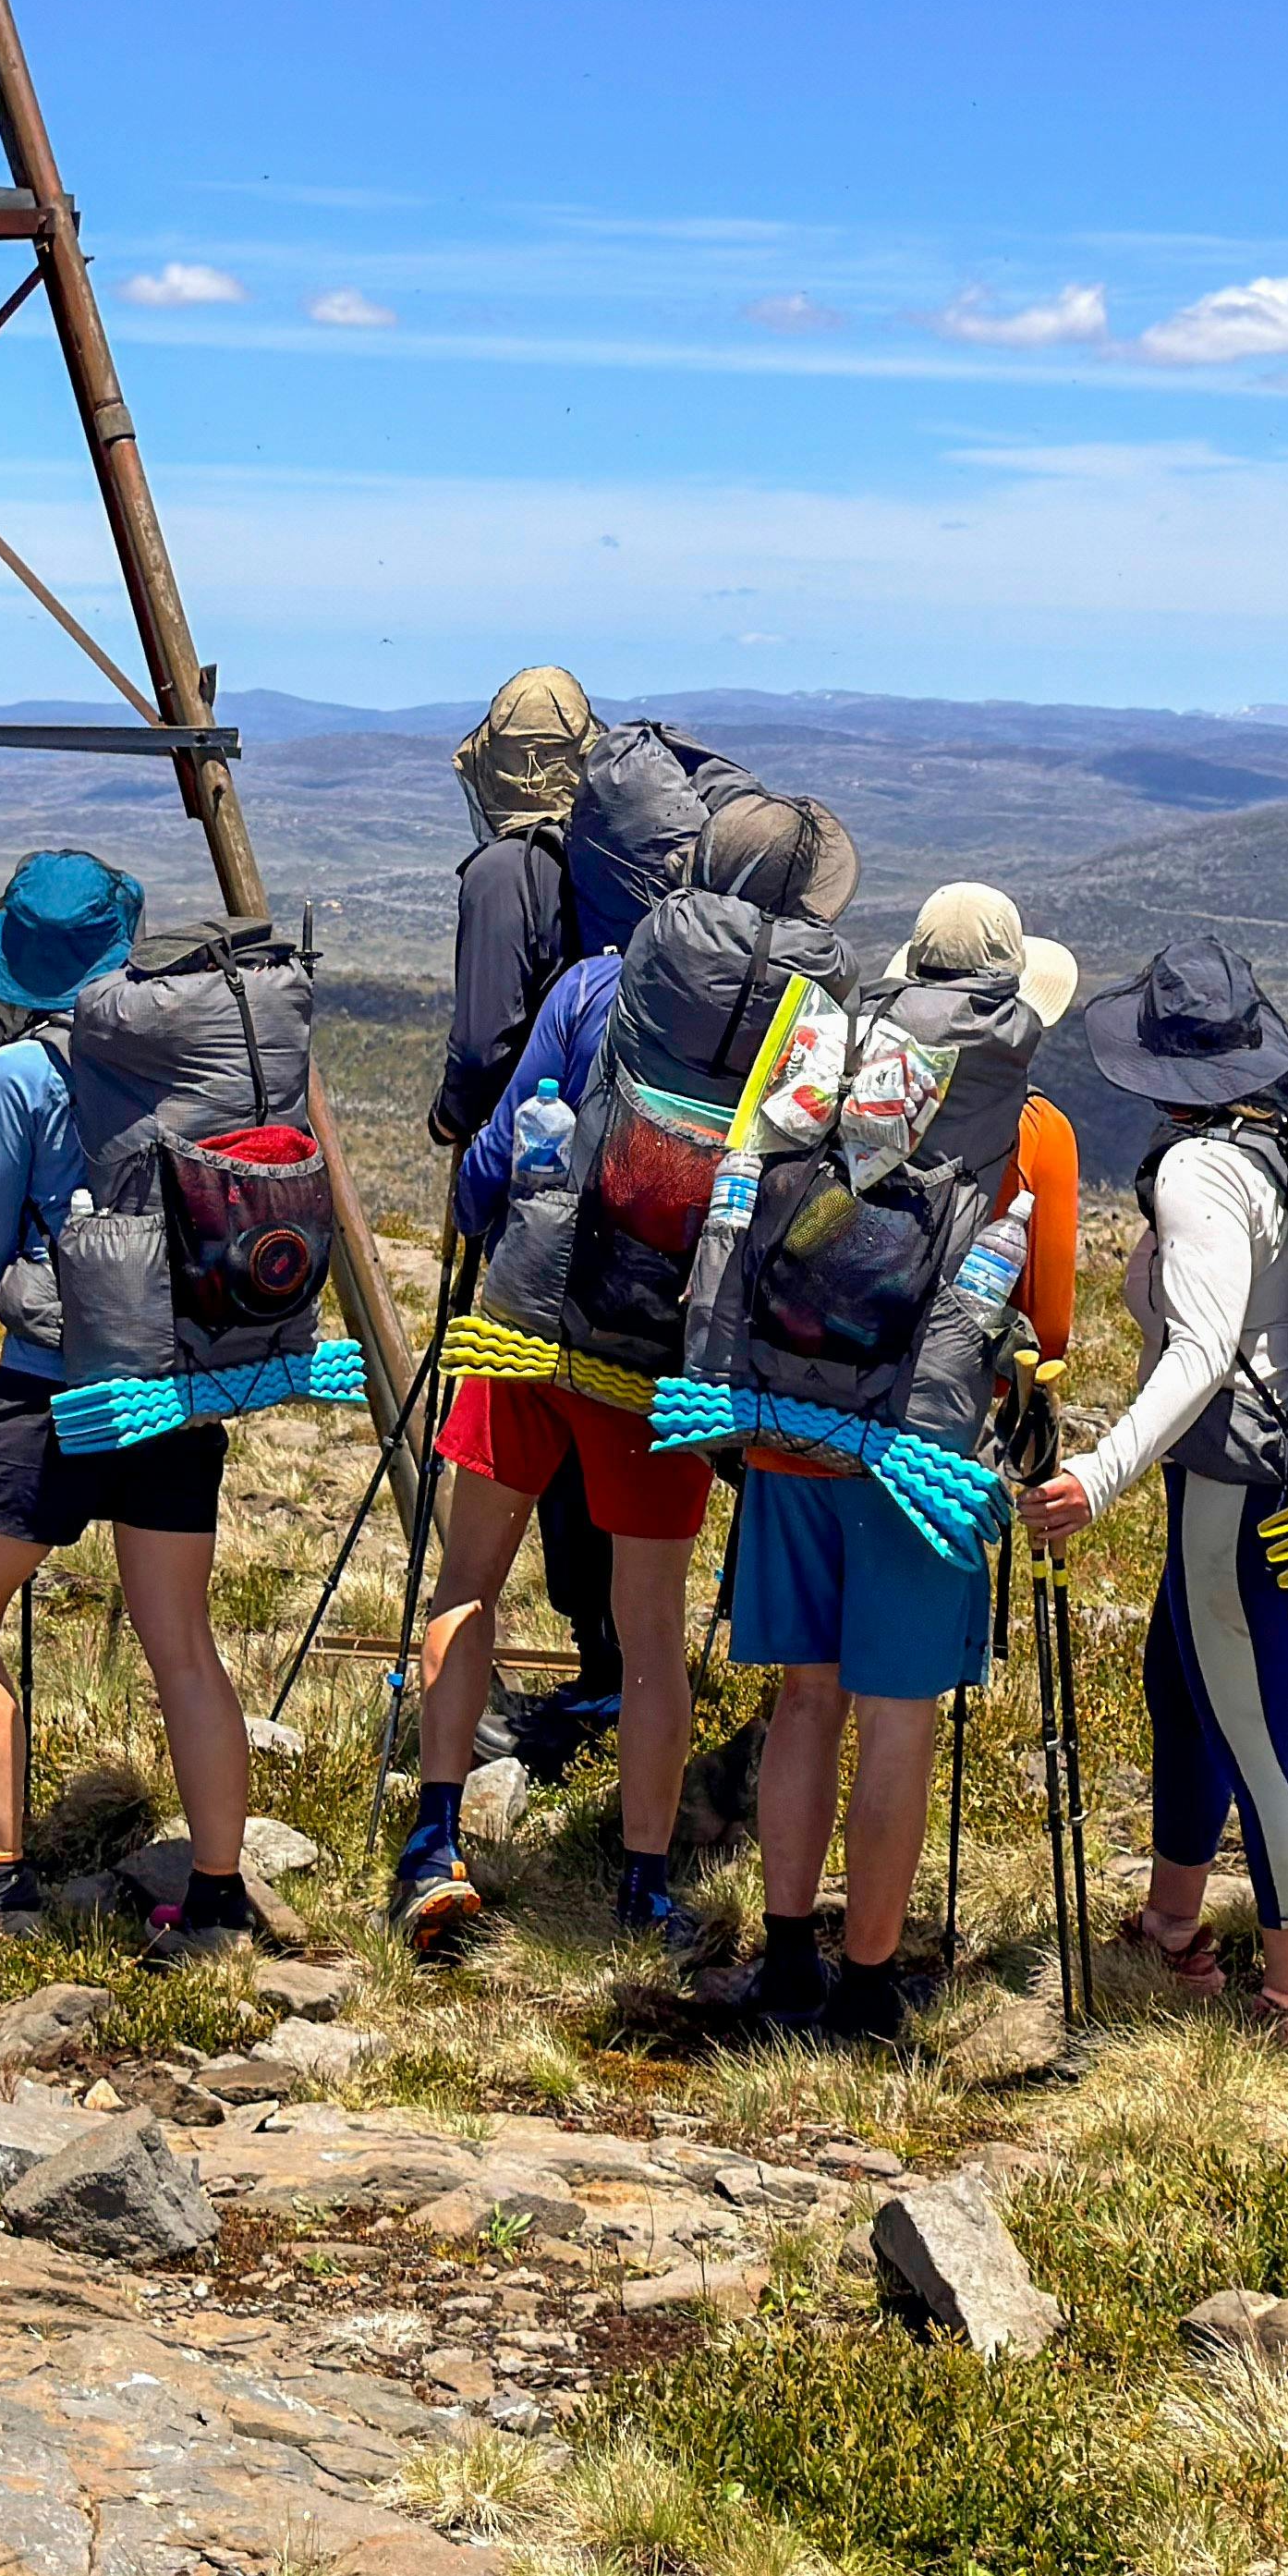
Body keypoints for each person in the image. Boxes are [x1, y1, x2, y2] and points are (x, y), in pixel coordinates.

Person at [399, 782, 857, 1959]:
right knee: (650, 1634)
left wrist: (486, 1223)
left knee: (467, 1584)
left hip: (528, 1328)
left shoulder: (600, 983)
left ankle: (436, 1842)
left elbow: (499, 1151)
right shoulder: (812, 1029)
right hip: (661, 1366)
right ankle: (644, 1888)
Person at [0, 850, 271, 1947]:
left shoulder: (15, 1074)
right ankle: (218, 1894)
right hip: (177, 1379)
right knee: (180, 1638)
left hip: (47, 1387)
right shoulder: (184, 1049)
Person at [724, 889, 1080, 2038]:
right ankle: (869, 1981)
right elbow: (1051, 1319)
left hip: (795, 1430)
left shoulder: (827, 1079)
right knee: (896, 1719)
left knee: (802, 1697)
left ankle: (784, 1959)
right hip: (925, 1462)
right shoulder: (1028, 1124)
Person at [1026, 936, 1288, 2047]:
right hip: (1267, 1464)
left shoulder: (1202, 1171)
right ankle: (1170, 1919)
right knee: (1182, 1679)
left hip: (1229, 1477)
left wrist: (1097, 1475)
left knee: (1251, 1725)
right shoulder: (1278, 1146)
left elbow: (1200, 1349)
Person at [429, 665, 626, 1771]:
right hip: (618, 1186)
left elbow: (481, 1042)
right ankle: (612, 1667)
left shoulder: (506, 867)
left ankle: (571, 1664)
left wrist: (461, 1126)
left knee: (523, 1420)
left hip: (529, 1183)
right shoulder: (605, 863)